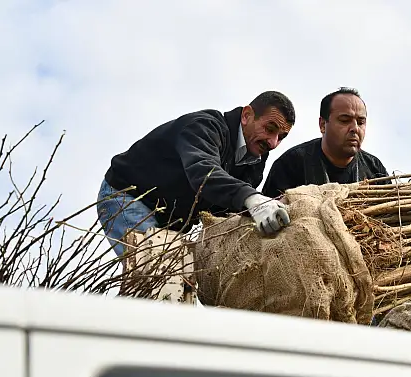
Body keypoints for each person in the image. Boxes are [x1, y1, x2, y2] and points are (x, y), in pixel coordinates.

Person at [97, 90, 296, 258]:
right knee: (155, 273)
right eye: (270, 129)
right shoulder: (204, 127)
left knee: (177, 289)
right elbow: (203, 172)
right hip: (129, 197)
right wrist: (252, 198)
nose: (273, 142)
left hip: (173, 221)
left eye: (281, 137)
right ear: (246, 115)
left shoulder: (254, 161)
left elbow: (224, 209)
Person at [261, 87, 389, 199]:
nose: (355, 128)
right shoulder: (290, 164)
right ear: (323, 125)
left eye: (361, 122)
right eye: (345, 120)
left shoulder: (375, 169)